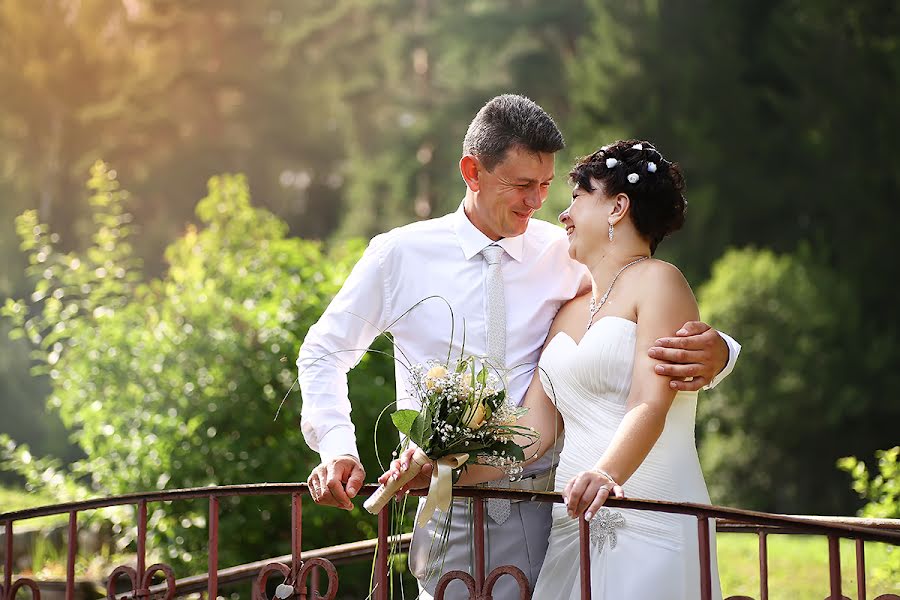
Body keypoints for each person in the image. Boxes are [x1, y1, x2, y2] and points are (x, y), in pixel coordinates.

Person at [297, 95, 739, 599]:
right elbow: (323, 352)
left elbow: (630, 316)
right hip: (449, 504)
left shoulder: (563, 252)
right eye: (522, 186)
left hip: (550, 511)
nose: (539, 202)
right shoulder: (398, 255)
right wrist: (336, 447)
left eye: (547, 185)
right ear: (472, 172)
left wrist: (720, 353)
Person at [385, 139, 724, 598]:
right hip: (570, 524)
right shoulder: (568, 309)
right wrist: (444, 470)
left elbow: (649, 402)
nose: (562, 215)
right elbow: (531, 434)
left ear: (617, 208)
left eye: (578, 199)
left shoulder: (660, 282)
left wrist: (606, 475)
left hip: (647, 513)